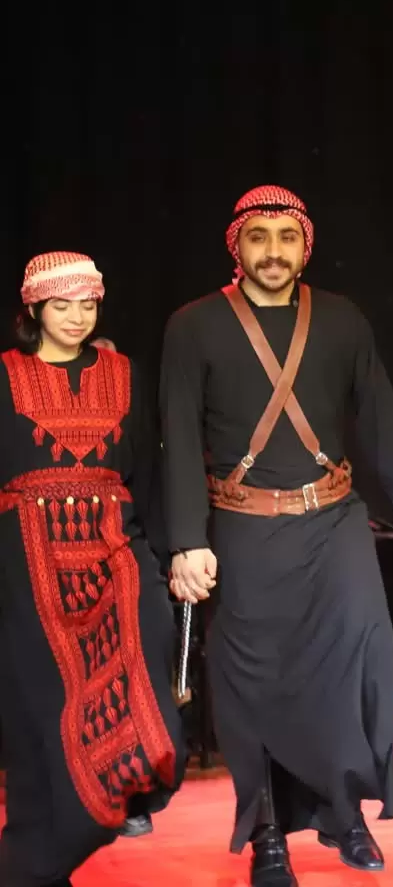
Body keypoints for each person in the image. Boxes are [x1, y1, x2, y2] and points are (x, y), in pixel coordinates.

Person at [159, 185, 393, 887]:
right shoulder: (193, 326)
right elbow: (177, 436)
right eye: (258, 237)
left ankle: (343, 811)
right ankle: (268, 834)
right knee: (254, 686)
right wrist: (186, 539)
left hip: (333, 522)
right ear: (236, 246)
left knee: (358, 660)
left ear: (306, 246)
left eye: (286, 237)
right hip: (242, 527)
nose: (273, 251)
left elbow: (381, 418)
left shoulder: (342, 320)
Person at [0, 252, 185, 886]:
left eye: (88, 305)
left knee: (148, 686)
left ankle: (114, 802)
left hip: (115, 553)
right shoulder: (5, 375)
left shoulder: (124, 374)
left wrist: (173, 551)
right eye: (61, 306)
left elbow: (150, 475)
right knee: (39, 720)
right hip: (26, 566)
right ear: (33, 309)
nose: (77, 318)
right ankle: (35, 867)